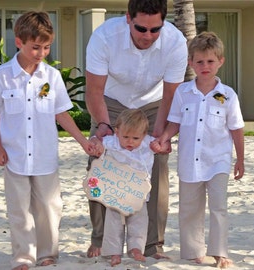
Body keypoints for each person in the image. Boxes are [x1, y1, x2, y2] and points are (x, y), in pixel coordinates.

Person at [0, 11, 96, 270]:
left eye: (46, 47)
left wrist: (81, 140)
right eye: (36, 47)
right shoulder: (2, 76)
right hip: (14, 156)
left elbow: (61, 112)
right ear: (19, 42)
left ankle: (48, 253)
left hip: (45, 156)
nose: (42, 53)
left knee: (49, 207)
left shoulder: (51, 77)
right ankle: (23, 256)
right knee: (20, 210)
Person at [85, 0, 188, 258]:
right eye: (142, 29)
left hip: (153, 105)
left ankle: (152, 245)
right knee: (101, 162)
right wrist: (103, 126)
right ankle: (100, 239)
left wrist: (162, 136)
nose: (148, 36)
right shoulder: (105, 37)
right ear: (128, 19)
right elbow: (94, 90)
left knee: (157, 164)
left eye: (156, 30)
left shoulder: (175, 42)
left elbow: (170, 97)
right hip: (111, 102)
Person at [151, 31, 245, 268]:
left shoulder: (228, 95)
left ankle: (220, 252)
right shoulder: (183, 92)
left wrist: (240, 160)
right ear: (190, 62)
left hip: (218, 162)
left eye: (210, 61)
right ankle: (193, 252)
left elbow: (236, 129)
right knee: (189, 209)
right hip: (189, 162)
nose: (205, 66)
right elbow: (175, 123)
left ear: (220, 61)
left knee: (218, 207)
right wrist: (163, 138)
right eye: (199, 61)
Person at [90, 109, 155, 266]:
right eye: (125, 137)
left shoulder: (148, 143)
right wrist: (96, 142)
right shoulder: (111, 142)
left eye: (135, 138)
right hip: (116, 193)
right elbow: (94, 140)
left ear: (144, 135)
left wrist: (163, 145)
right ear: (117, 132)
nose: (130, 142)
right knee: (113, 223)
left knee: (139, 221)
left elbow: (163, 143)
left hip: (138, 194)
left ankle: (136, 248)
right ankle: (114, 253)